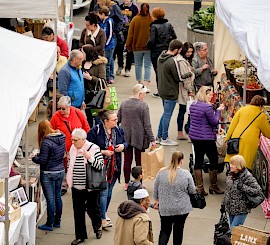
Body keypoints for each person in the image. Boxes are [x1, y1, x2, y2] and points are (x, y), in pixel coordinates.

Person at [87, 110, 128, 228]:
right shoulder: (95, 131)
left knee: (108, 192)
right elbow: (88, 147)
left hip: (114, 167)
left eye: (116, 119)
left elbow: (126, 143)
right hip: (101, 166)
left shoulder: (119, 130)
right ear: (106, 121)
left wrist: (123, 147)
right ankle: (103, 218)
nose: (116, 121)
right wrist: (103, 151)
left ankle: (101, 213)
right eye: (114, 120)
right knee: (104, 193)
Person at [66, 128, 104, 245]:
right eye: (72, 140)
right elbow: (69, 164)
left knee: (92, 209)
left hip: (91, 187)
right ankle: (80, 236)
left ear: (83, 139)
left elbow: (100, 166)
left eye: (75, 140)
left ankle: (97, 226)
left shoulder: (94, 148)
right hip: (76, 187)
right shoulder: (72, 148)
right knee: (78, 212)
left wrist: (89, 157)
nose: (73, 142)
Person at [153, 151, 196, 244]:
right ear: (181, 161)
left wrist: (157, 200)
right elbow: (192, 190)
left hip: (165, 208)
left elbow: (155, 189)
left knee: (164, 230)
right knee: (178, 231)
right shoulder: (186, 174)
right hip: (182, 208)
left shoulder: (161, 173)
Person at [118, 84, 156, 190]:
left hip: (126, 136)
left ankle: (126, 183)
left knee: (127, 160)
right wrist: (152, 139)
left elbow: (118, 118)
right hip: (140, 137)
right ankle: (140, 182)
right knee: (140, 162)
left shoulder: (124, 103)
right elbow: (147, 125)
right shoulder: (143, 106)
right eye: (144, 93)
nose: (144, 95)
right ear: (139, 94)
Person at [50, 96, 90, 195]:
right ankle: (64, 185)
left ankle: (79, 184)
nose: (61, 111)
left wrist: (85, 142)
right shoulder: (56, 117)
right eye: (59, 108)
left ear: (69, 107)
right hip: (64, 149)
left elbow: (86, 127)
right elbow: (51, 131)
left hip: (79, 147)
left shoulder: (77, 112)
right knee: (65, 166)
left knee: (79, 165)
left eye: (63, 108)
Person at [189, 86, 224, 195]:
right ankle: (213, 185)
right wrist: (218, 111)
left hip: (195, 137)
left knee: (198, 160)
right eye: (209, 95)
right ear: (205, 95)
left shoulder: (193, 105)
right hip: (207, 138)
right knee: (213, 160)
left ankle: (200, 188)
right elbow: (214, 122)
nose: (211, 97)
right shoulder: (207, 107)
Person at [31, 120, 66, 231]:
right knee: (57, 197)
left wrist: (33, 158)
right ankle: (57, 221)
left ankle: (49, 223)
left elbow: (43, 160)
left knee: (50, 199)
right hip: (60, 171)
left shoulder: (46, 142)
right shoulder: (62, 137)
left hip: (48, 173)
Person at [225, 95, 270, 170]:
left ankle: (233, 179)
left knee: (234, 164)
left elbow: (232, 125)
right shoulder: (261, 116)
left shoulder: (242, 109)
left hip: (236, 139)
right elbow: (268, 133)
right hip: (250, 142)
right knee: (244, 166)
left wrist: (227, 139)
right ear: (261, 105)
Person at [222, 155, 263, 232]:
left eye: (233, 164)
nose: (230, 166)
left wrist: (243, 187)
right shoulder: (231, 175)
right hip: (230, 209)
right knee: (233, 233)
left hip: (241, 210)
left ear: (239, 165)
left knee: (233, 232)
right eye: (230, 163)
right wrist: (223, 204)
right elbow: (227, 191)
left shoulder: (247, 176)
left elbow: (258, 190)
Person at [156, 39, 183, 146]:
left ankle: (159, 136)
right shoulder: (172, 61)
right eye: (179, 50)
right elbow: (179, 77)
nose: (179, 52)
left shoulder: (161, 57)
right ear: (176, 50)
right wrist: (189, 73)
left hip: (162, 90)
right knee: (167, 115)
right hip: (170, 92)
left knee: (165, 114)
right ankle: (164, 137)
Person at [147, 7, 177, 98]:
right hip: (167, 50)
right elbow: (174, 36)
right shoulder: (168, 24)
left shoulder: (154, 26)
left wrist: (148, 45)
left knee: (158, 72)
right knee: (167, 72)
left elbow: (152, 41)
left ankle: (159, 91)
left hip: (156, 52)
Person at [126, 3, 153, 91]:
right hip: (148, 47)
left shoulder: (135, 19)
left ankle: (139, 83)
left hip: (137, 46)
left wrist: (128, 45)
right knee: (148, 65)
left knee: (138, 65)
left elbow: (130, 34)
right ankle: (146, 85)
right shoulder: (151, 19)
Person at [81, 45, 107, 127]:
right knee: (88, 117)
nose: (81, 54)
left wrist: (90, 78)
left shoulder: (99, 64)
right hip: (86, 95)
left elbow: (103, 81)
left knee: (97, 117)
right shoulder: (82, 63)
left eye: (82, 52)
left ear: (87, 53)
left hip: (96, 95)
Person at [176, 42, 195, 140]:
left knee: (183, 111)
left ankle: (182, 131)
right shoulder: (182, 62)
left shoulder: (183, 60)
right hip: (185, 90)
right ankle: (180, 132)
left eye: (191, 52)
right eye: (188, 51)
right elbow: (185, 78)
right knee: (183, 111)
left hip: (184, 89)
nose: (190, 54)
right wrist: (190, 90)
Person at [116, 0, 139, 77]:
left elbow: (136, 20)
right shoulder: (120, 7)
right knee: (119, 49)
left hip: (130, 32)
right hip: (121, 31)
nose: (126, 1)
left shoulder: (134, 8)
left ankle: (127, 68)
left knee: (129, 50)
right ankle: (120, 65)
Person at [97, 6, 115, 83]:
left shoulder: (109, 21)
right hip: (105, 45)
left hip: (109, 45)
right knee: (109, 60)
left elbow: (110, 34)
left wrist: (106, 44)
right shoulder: (101, 22)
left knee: (108, 62)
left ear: (103, 14)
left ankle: (108, 77)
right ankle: (110, 76)